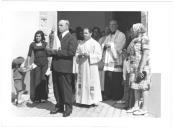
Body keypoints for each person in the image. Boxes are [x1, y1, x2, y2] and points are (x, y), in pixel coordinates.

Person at [47, 20, 78, 117]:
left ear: (67, 26)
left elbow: (71, 52)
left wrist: (55, 52)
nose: (59, 27)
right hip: (55, 67)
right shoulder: (57, 37)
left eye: (61, 25)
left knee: (66, 89)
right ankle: (59, 106)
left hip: (65, 67)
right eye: (58, 25)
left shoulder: (71, 37)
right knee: (57, 88)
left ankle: (68, 108)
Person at [126, 23, 151, 115]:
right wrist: (132, 41)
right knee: (135, 87)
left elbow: (145, 54)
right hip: (134, 67)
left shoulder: (145, 38)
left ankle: (144, 108)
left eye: (133, 29)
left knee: (143, 87)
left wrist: (141, 68)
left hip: (142, 67)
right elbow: (128, 51)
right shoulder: (135, 40)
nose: (132, 31)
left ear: (138, 29)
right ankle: (136, 106)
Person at [75, 28, 102, 106]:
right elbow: (77, 53)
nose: (84, 35)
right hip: (82, 66)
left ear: (91, 34)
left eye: (86, 33)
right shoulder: (80, 43)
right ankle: (81, 100)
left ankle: (92, 100)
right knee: (82, 82)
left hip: (91, 67)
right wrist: (79, 56)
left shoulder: (95, 43)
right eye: (83, 33)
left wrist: (89, 55)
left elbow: (99, 56)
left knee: (91, 83)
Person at [102, 20, 126, 102]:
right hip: (109, 61)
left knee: (116, 79)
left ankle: (117, 96)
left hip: (116, 60)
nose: (112, 26)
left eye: (114, 25)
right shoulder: (108, 36)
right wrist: (105, 46)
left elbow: (119, 47)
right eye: (110, 25)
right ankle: (108, 95)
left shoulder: (121, 35)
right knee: (108, 79)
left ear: (117, 25)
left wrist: (111, 45)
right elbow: (103, 44)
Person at [27, 30, 49, 103]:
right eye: (36, 36)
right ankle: (37, 98)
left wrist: (49, 65)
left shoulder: (45, 44)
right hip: (37, 64)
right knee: (37, 80)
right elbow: (29, 55)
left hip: (45, 64)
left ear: (42, 37)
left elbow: (49, 54)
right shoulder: (32, 44)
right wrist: (29, 64)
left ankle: (43, 97)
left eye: (39, 36)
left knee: (43, 79)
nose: (38, 37)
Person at [98, 27, 110, 93]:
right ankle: (101, 92)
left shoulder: (111, 38)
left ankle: (106, 92)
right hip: (101, 59)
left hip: (109, 60)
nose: (107, 31)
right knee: (101, 77)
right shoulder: (101, 39)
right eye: (105, 30)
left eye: (108, 30)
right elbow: (98, 49)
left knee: (107, 78)